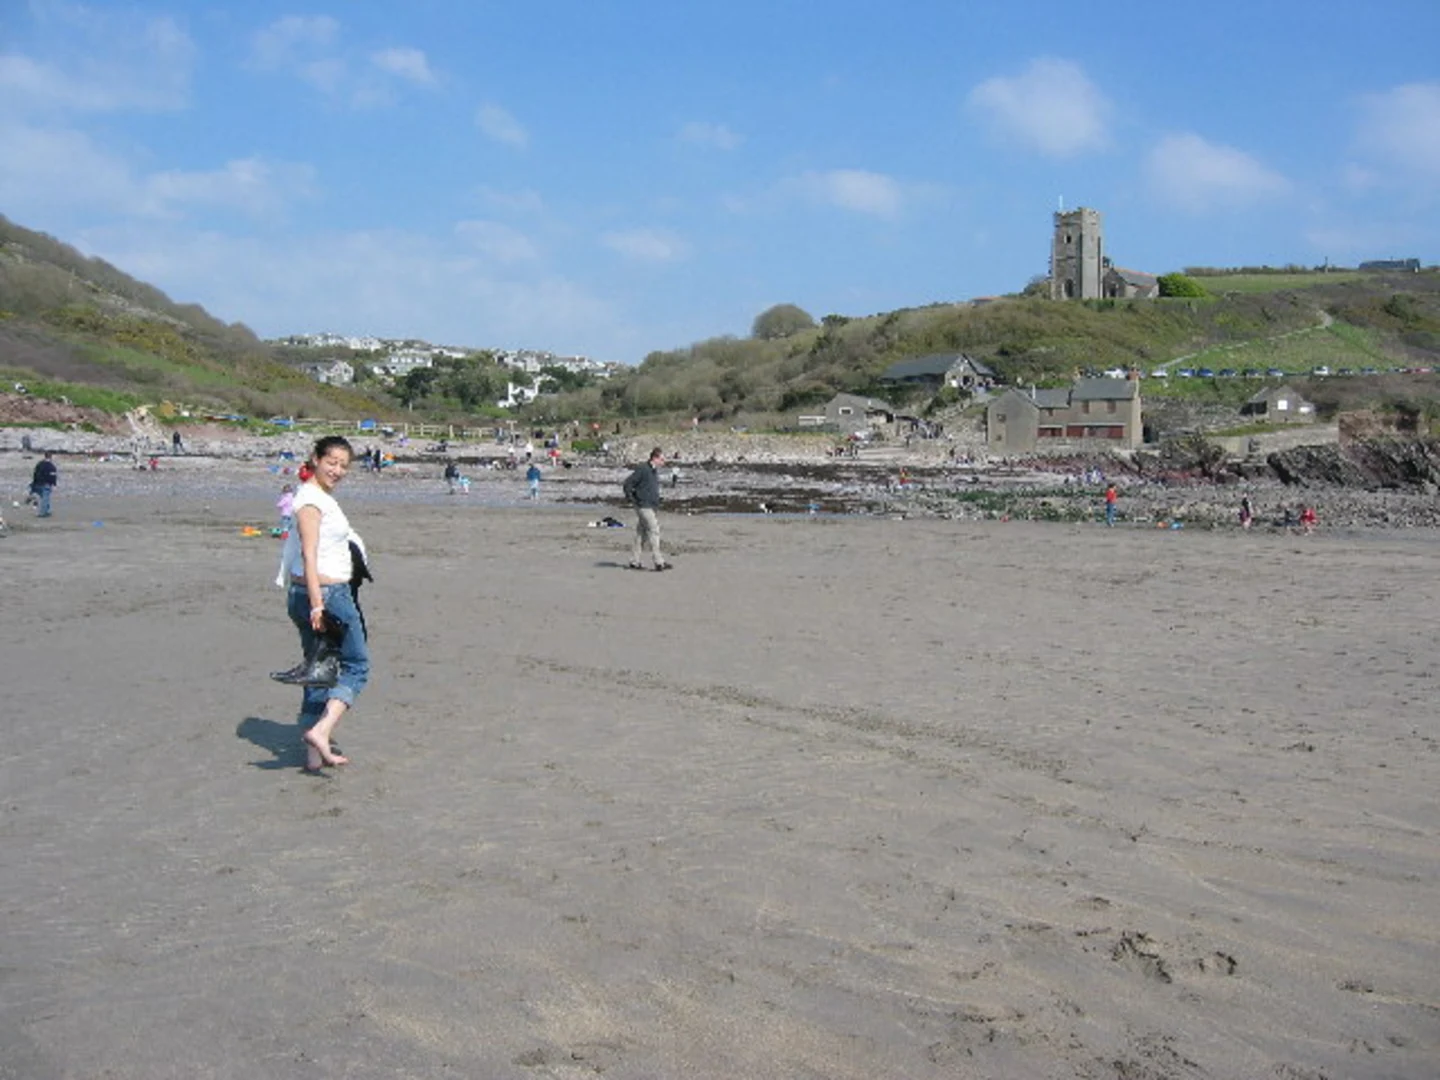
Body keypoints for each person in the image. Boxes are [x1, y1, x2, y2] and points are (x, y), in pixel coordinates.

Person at [276, 436, 370, 773]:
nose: (338, 470)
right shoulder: (312, 501)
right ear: (315, 459)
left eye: (344, 465)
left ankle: (314, 757)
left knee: (320, 673)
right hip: (327, 597)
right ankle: (321, 730)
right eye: (332, 462)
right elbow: (309, 554)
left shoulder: (313, 496)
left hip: (309, 595)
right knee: (358, 665)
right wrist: (318, 606)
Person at [622, 446, 670, 571]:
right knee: (654, 530)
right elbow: (628, 483)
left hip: (651, 505)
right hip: (643, 506)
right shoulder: (643, 469)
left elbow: (649, 488)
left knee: (641, 534)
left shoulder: (654, 471)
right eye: (662, 459)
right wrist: (631, 499)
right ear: (655, 458)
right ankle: (659, 562)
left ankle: (634, 561)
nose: (663, 462)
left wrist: (657, 500)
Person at [30, 452, 57, 518]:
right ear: (51, 457)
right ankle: (43, 513)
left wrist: (34, 482)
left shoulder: (39, 464)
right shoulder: (51, 466)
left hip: (38, 483)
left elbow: (35, 473)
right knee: (45, 498)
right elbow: (53, 476)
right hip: (46, 484)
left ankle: (47, 511)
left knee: (44, 497)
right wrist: (54, 484)